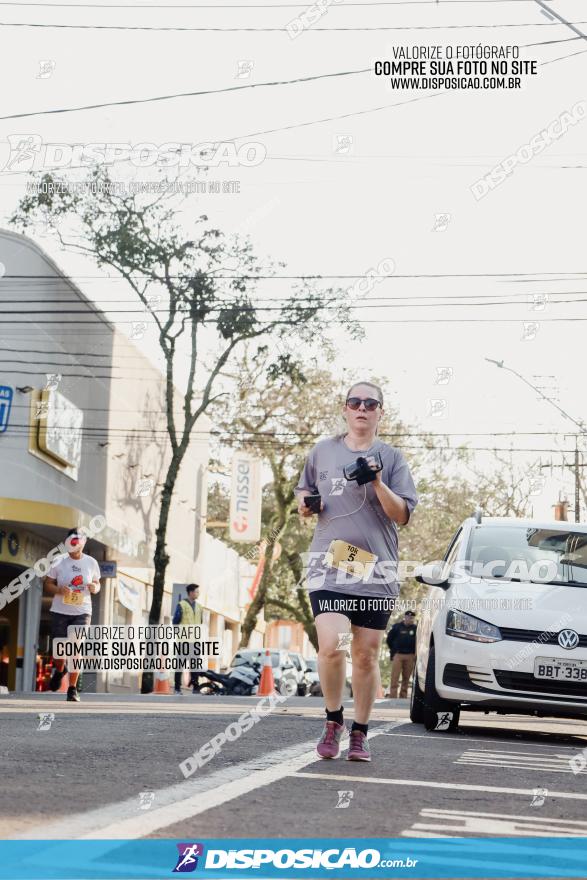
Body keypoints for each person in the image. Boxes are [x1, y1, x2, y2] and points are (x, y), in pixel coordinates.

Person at [296, 381, 418, 762]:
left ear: (381, 412)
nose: (361, 408)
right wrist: (306, 505)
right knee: (332, 646)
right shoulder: (322, 451)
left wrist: (377, 482)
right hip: (329, 562)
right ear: (345, 410)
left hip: (375, 568)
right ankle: (334, 721)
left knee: (365, 655)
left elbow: (402, 514)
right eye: (354, 402)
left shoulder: (392, 458)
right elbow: (303, 492)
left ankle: (361, 732)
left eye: (370, 403)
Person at [44, 527, 101, 702]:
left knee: (75, 649)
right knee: (60, 654)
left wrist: (94, 587)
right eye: (72, 541)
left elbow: (97, 584)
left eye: (78, 541)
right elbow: (48, 584)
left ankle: (72, 688)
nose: (75, 545)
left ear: (83, 543)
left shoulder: (91, 563)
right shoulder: (58, 561)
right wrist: (60, 590)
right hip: (60, 611)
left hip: (82, 612)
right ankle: (60, 670)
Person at [173, 583, 203, 694]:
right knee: (180, 665)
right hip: (183, 641)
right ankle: (177, 688)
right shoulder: (182, 605)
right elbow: (175, 622)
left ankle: (196, 688)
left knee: (195, 666)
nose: (198, 593)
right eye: (196, 591)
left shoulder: (200, 607)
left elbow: (200, 623)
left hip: (195, 642)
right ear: (190, 592)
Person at [386, 610, 417, 698]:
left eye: (412, 618)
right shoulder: (397, 627)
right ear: (405, 617)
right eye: (409, 617)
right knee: (395, 676)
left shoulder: (415, 629)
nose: (410, 619)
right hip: (398, 655)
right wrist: (393, 650)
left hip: (410, 656)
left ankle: (403, 696)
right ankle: (393, 696)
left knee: (406, 677)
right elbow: (389, 639)